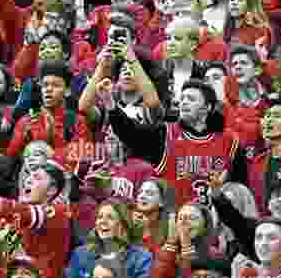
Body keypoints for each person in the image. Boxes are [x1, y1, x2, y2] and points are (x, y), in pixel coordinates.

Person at [106, 78, 248, 209]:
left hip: (216, 225)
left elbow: (241, 189)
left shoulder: (229, 141)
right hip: (175, 224)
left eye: (191, 99)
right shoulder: (165, 133)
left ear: (207, 107)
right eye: (182, 98)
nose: (184, 102)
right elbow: (130, 132)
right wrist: (110, 103)